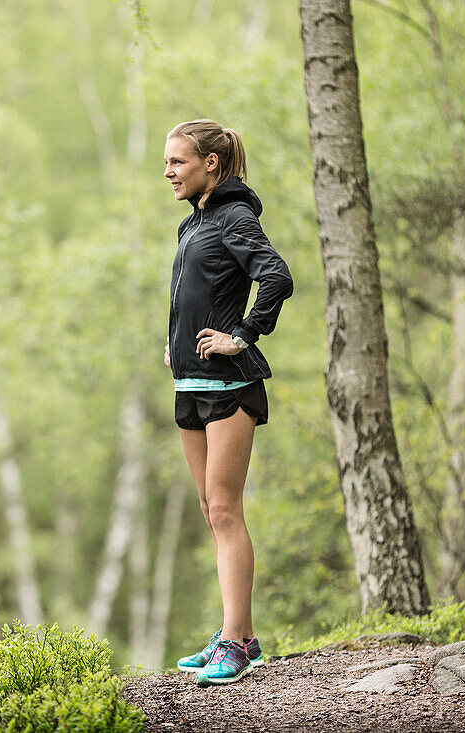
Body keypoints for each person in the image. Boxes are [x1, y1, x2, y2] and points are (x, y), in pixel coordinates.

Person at [162, 119, 293, 686]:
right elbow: (195, 295)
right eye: (166, 164)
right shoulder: (199, 223)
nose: (169, 173)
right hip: (190, 384)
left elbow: (277, 278)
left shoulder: (234, 218)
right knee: (210, 510)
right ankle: (233, 632)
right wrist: (174, 345)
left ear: (210, 164)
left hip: (229, 386)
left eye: (178, 163)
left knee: (225, 510)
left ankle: (237, 644)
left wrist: (240, 335)